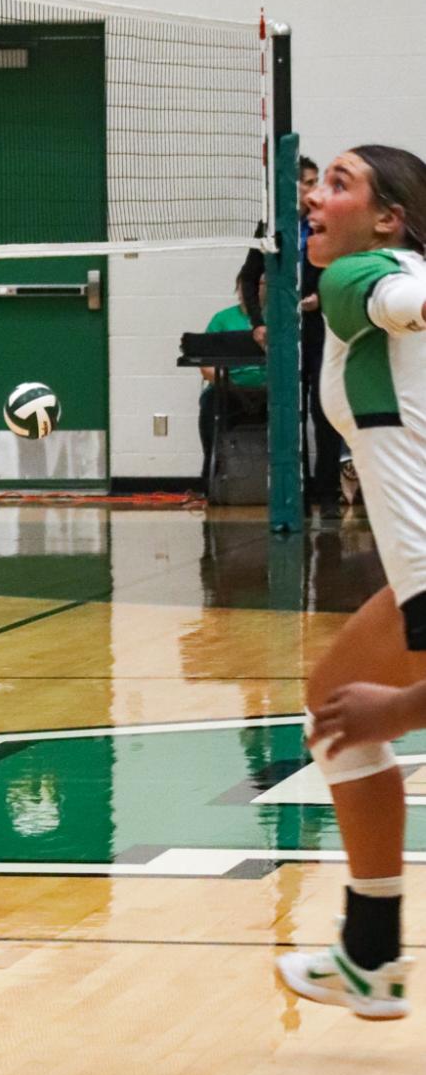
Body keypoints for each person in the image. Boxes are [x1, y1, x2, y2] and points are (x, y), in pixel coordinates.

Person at [278, 145, 426, 1019]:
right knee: (335, 697)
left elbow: (395, 301)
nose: (315, 195)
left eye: (339, 182)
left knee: (358, 711)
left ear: (387, 217)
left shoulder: (361, 278)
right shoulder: (377, 276)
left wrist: (401, 713)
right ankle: (369, 953)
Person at [241, 155, 342, 512]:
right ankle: (293, 492)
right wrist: (258, 322)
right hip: (285, 331)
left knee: (324, 410)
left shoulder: (327, 223)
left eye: (317, 181)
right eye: (308, 182)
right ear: (290, 186)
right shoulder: (271, 227)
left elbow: (347, 273)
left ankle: (328, 494)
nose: (315, 190)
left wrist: (324, 298)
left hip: (322, 328)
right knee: (289, 412)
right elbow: (249, 277)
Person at [197, 275, 267, 494]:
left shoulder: (280, 317)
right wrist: (229, 384)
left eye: (259, 285)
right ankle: (212, 473)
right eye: (246, 286)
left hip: (269, 390)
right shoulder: (222, 319)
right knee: (210, 403)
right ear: (238, 289)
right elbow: (205, 365)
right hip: (229, 390)